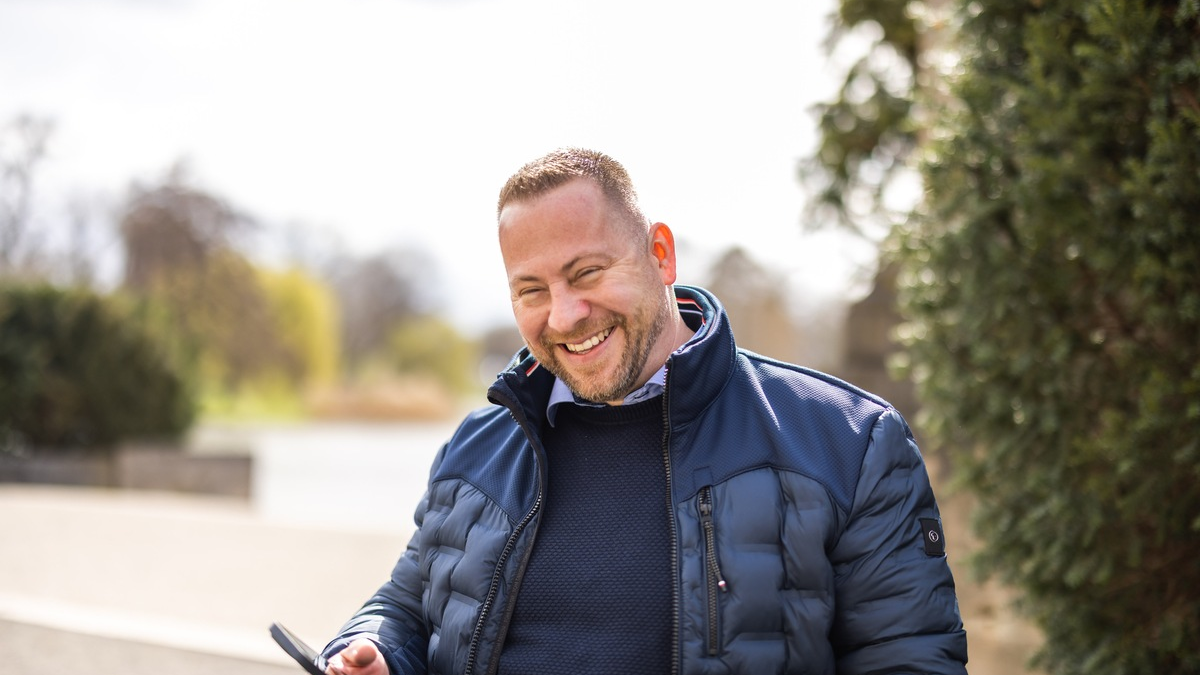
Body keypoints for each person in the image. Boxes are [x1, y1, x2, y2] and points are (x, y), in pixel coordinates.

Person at [321, 148, 968, 675]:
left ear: (660, 254)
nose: (565, 314)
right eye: (533, 290)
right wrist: (372, 649)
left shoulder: (851, 443)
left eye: (587, 273)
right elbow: (406, 604)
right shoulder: (477, 446)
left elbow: (911, 661)